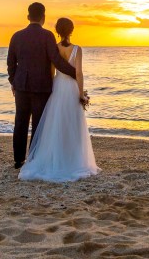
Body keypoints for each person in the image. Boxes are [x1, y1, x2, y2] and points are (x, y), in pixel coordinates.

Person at [18, 17, 99, 182]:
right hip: (71, 88)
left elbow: (52, 72)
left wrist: (51, 89)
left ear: (57, 31)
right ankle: (71, 159)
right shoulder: (77, 49)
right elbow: (78, 73)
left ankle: (55, 157)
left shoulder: (54, 48)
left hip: (57, 87)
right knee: (73, 123)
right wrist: (81, 93)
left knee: (56, 124)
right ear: (71, 31)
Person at [7, 2, 78, 169]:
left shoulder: (16, 36)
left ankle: (18, 160)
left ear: (28, 16)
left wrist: (13, 82)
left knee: (20, 123)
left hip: (22, 87)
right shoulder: (47, 36)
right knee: (39, 125)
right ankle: (33, 159)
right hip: (41, 87)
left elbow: (11, 63)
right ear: (43, 17)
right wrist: (75, 73)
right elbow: (57, 60)